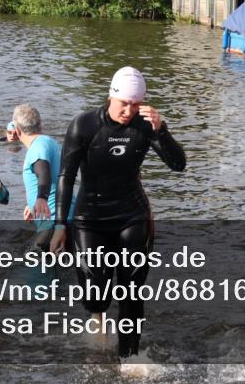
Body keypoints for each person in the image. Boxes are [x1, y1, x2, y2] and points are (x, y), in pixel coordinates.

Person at [50, 67, 187, 365]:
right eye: (124, 103)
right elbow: (65, 177)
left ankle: (130, 359)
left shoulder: (145, 126)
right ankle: (98, 316)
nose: (129, 111)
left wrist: (162, 130)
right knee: (94, 293)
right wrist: (61, 224)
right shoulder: (84, 126)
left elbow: (178, 165)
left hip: (132, 215)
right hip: (89, 218)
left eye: (136, 105)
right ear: (111, 95)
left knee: (132, 290)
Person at [13, 104, 60, 252]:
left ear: (17, 130)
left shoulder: (38, 147)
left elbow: (43, 171)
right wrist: (31, 205)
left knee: (32, 265)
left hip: (52, 221)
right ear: (40, 125)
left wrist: (41, 198)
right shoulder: (49, 142)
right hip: (60, 218)